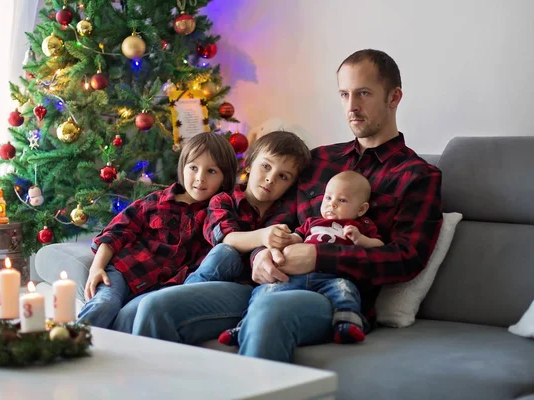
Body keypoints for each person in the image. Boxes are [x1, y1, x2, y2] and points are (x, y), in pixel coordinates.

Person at [130, 49, 443, 363]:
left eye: (363, 93)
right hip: (269, 280)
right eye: (344, 94)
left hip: (333, 296)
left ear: (394, 97)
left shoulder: (417, 176)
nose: (351, 106)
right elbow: (276, 217)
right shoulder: (319, 160)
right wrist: (260, 255)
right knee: (157, 307)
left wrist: (319, 255)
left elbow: (407, 258)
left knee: (269, 311)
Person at [202, 170, 384, 347]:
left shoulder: (361, 226)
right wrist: (286, 239)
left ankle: (346, 324)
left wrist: (360, 239)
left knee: (345, 290)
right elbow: (297, 237)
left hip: (331, 278)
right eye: (328, 198)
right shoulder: (312, 222)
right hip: (295, 276)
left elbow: (379, 248)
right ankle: (243, 326)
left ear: (361, 209)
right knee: (265, 291)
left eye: (342, 200)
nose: (332, 204)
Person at [76, 132, 238, 329]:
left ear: (224, 178)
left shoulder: (217, 214)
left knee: (131, 318)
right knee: (103, 305)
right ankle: (70, 345)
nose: (200, 178)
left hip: (159, 290)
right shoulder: (155, 201)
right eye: (193, 168)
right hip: (123, 273)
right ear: (183, 168)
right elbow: (115, 232)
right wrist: (97, 268)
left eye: (211, 171)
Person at [184, 130, 311, 285]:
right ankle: (182, 296)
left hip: (257, 286)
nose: (270, 179)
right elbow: (225, 238)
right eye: (265, 166)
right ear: (249, 165)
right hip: (218, 279)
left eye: (283, 176)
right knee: (223, 252)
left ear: (291, 184)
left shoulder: (289, 212)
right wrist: (263, 236)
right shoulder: (224, 200)